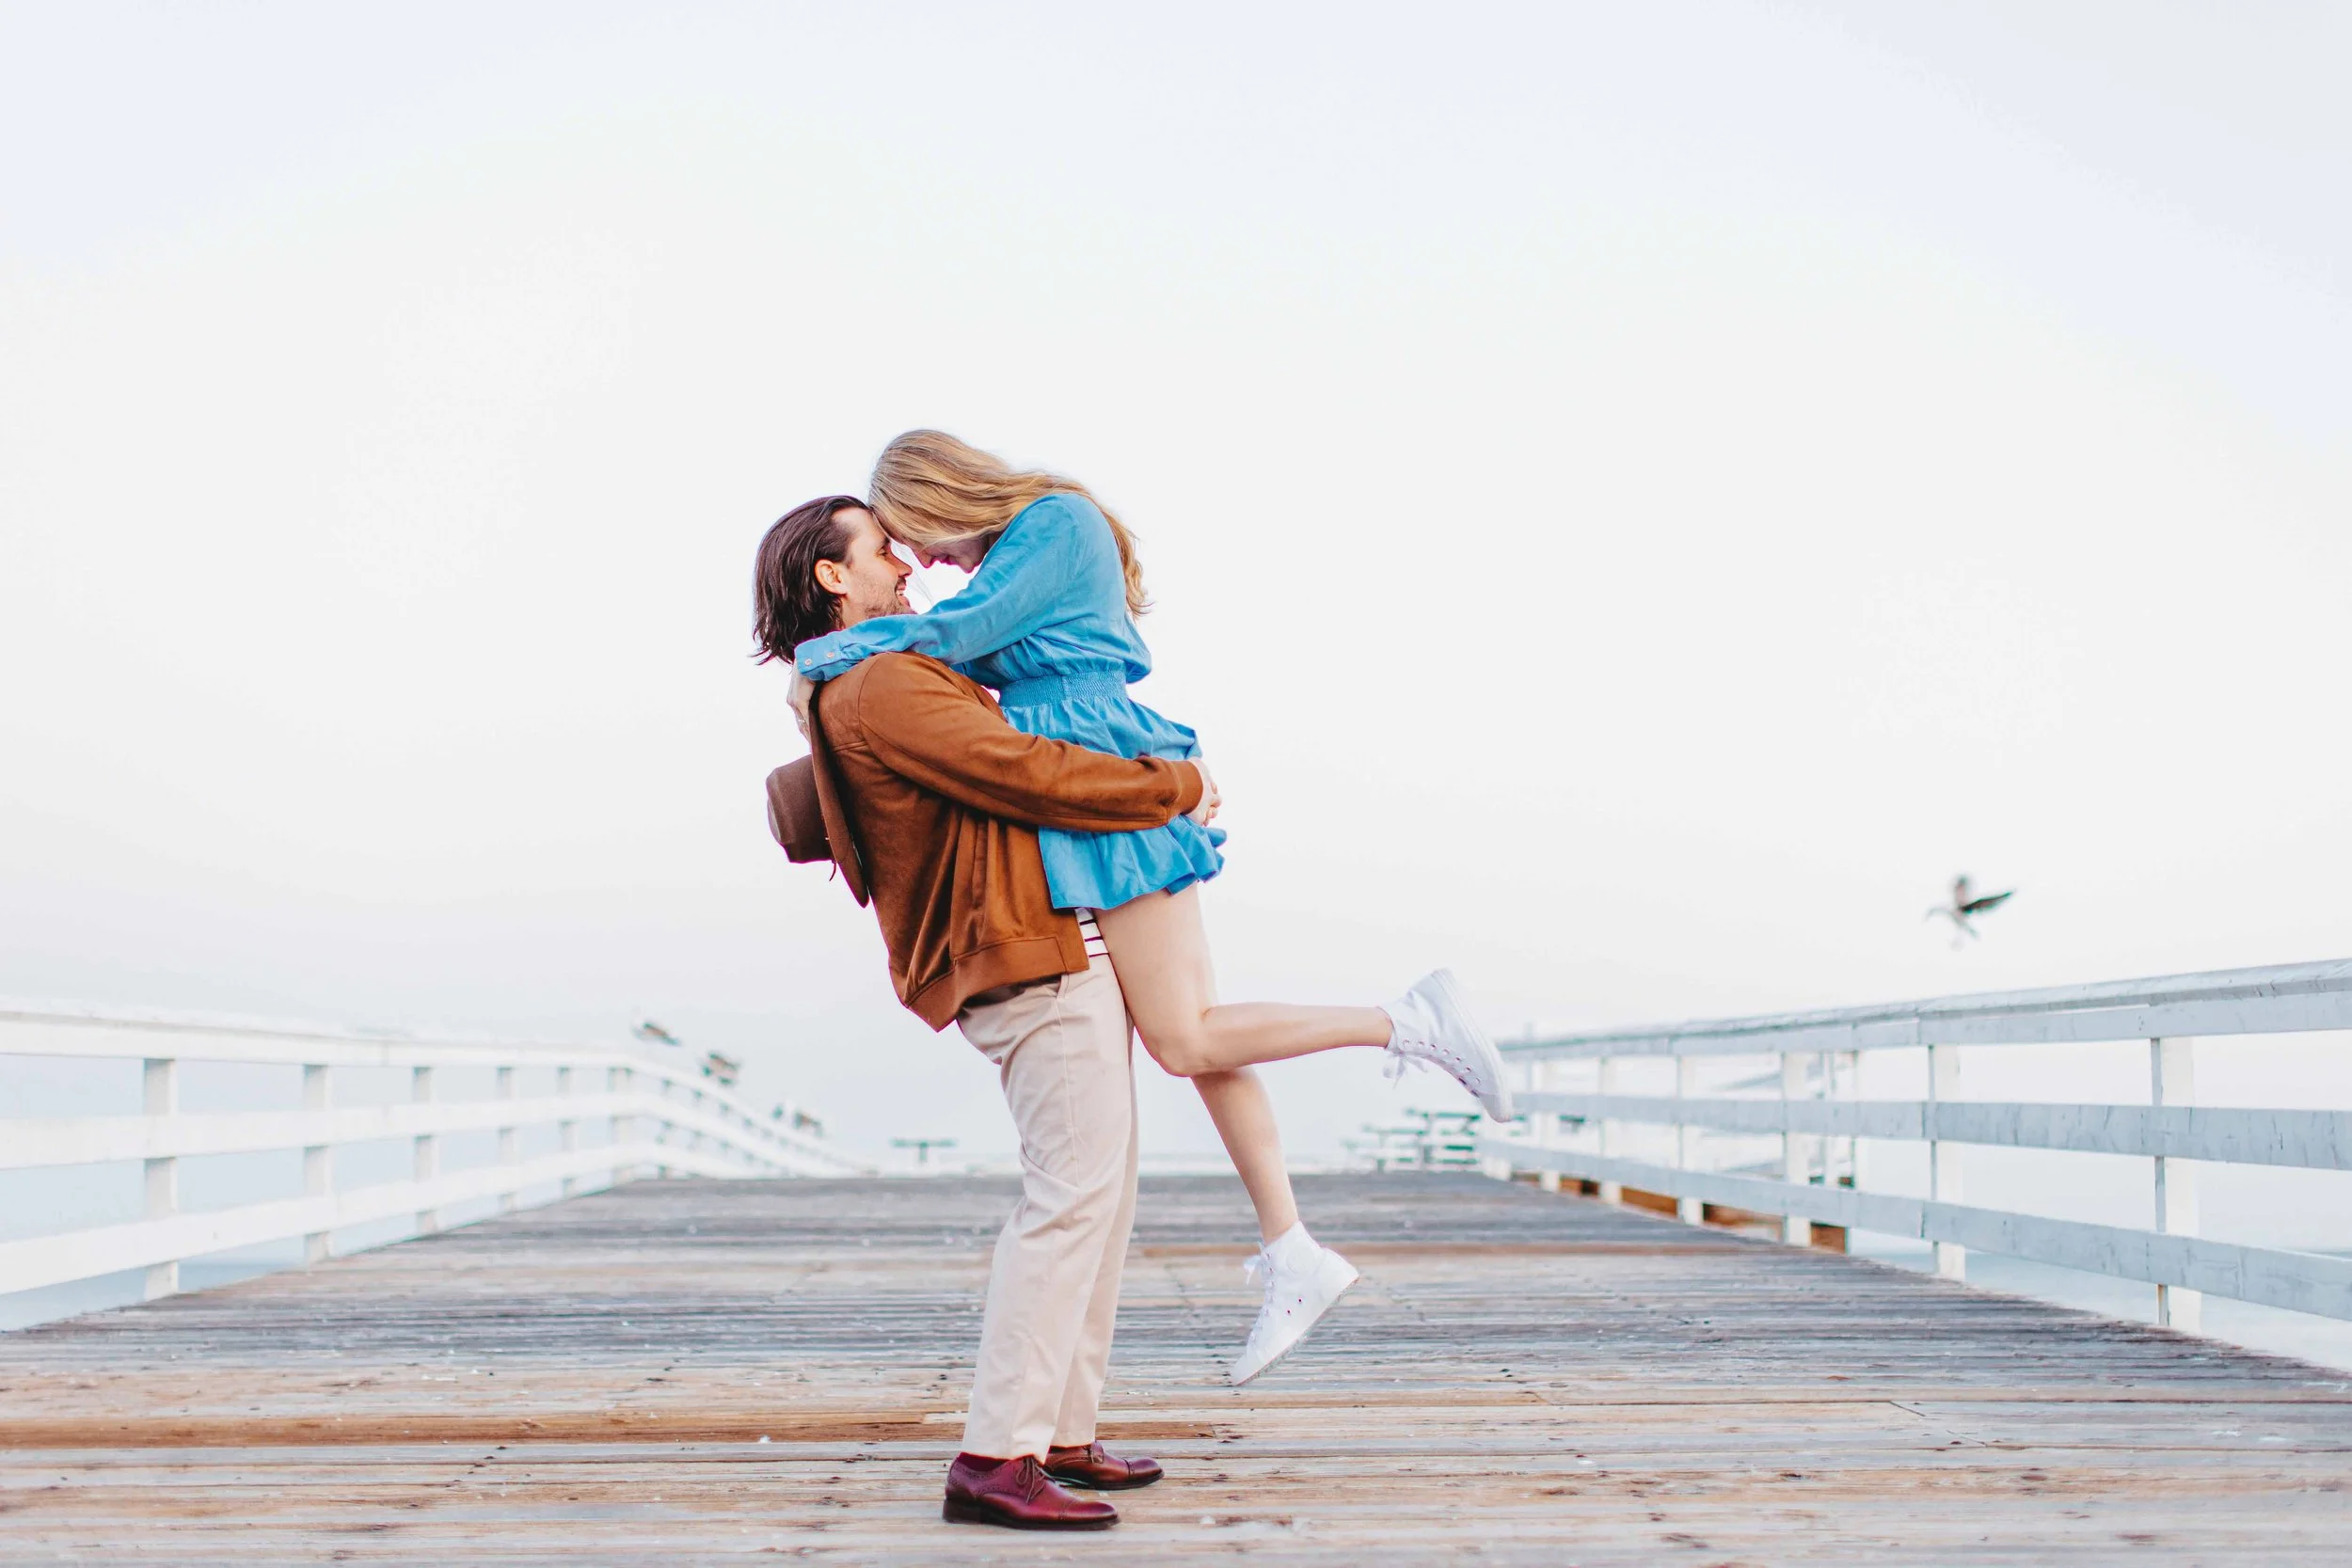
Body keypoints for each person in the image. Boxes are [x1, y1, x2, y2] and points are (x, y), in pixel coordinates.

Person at [791, 432, 1512, 1384]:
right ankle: (1291, 1245)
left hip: (1098, 762)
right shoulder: (1018, 547)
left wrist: (821, 657)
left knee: (1186, 1036)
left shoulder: (1055, 522)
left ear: (942, 495)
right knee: (1191, 1032)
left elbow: (956, 636)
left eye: (914, 535)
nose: (919, 562)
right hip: (1073, 777)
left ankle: (1406, 1023)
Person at [755, 493, 1209, 1530]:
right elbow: (1024, 772)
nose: (908, 566)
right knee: (1066, 1202)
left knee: (1097, 1195)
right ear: (834, 578)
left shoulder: (867, 682)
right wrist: (1170, 783)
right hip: (1027, 952)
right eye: (881, 549)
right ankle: (994, 1456)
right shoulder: (885, 679)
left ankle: (1058, 1429)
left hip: (1037, 942)